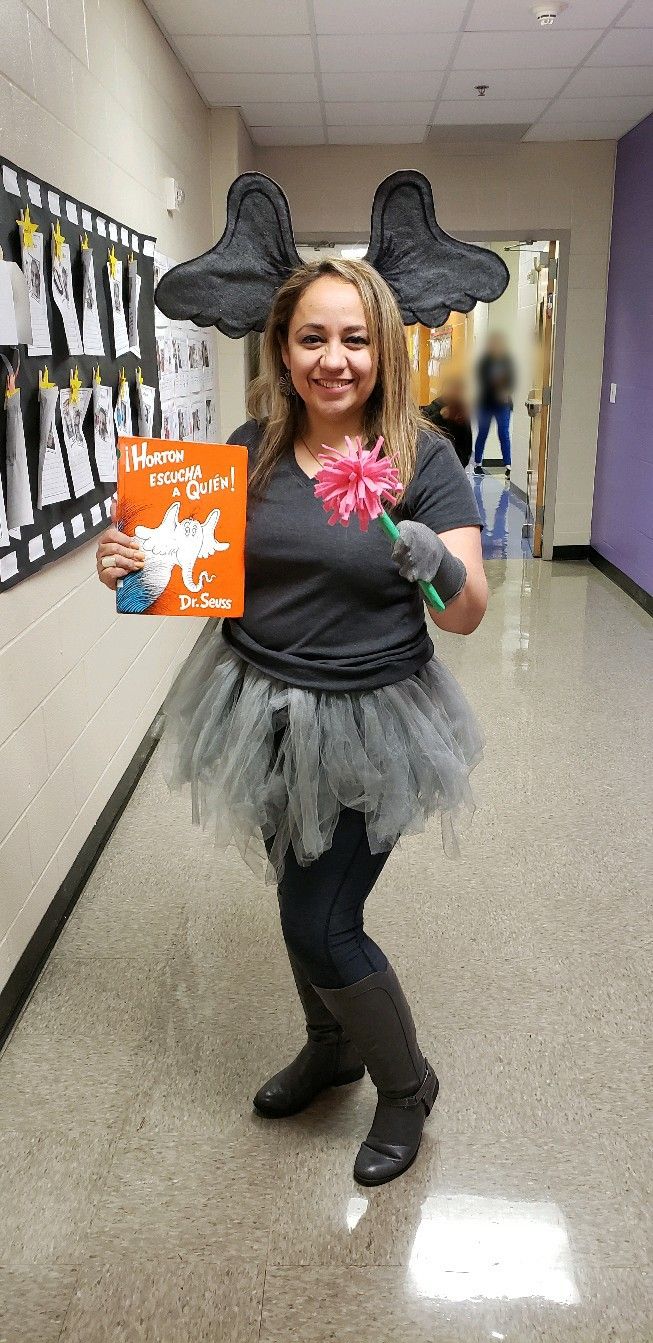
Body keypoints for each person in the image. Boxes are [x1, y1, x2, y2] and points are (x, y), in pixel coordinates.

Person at [96, 257, 487, 1188]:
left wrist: (425, 550)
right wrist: (132, 558)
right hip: (255, 706)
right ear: (282, 347)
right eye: (312, 337)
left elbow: (464, 609)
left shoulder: (418, 456)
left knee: (325, 920)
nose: (334, 359)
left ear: (383, 348)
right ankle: (331, 1047)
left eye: (354, 338)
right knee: (291, 898)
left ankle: (404, 1086)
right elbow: (198, 572)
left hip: (368, 721)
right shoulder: (253, 445)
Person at [473, 332, 515, 480]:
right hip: (486, 403)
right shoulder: (485, 362)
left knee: (504, 433)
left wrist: (506, 390)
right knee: (483, 433)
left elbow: (511, 380)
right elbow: (483, 380)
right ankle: (477, 464)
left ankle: (508, 466)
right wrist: (496, 388)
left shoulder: (507, 360)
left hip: (503, 404)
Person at [422, 372, 473, 470]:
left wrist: (461, 465)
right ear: (444, 389)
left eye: (458, 389)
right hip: (433, 465)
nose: (455, 392)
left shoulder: (462, 412)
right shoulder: (432, 409)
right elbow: (422, 431)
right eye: (452, 388)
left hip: (456, 465)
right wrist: (440, 416)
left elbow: (467, 444)